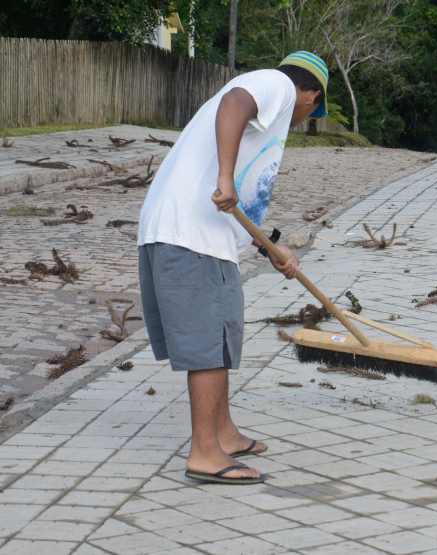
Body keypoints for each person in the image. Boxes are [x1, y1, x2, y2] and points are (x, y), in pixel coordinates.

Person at [136, 52, 330, 485]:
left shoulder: (270, 119)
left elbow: (244, 207)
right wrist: (225, 176)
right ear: (311, 94)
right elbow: (235, 103)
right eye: (312, 112)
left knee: (220, 332)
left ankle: (223, 433)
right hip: (188, 233)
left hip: (193, 232)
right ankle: (204, 452)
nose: (304, 120)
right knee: (207, 339)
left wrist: (273, 250)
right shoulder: (276, 85)